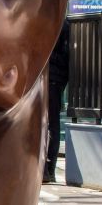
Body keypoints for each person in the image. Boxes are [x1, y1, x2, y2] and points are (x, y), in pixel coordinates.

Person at [44, 19, 71, 184]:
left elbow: (65, 55)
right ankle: (47, 169)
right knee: (50, 124)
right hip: (50, 79)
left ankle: (48, 169)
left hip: (51, 79)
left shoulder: (61, 24)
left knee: (51, 124)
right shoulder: (59, 23)